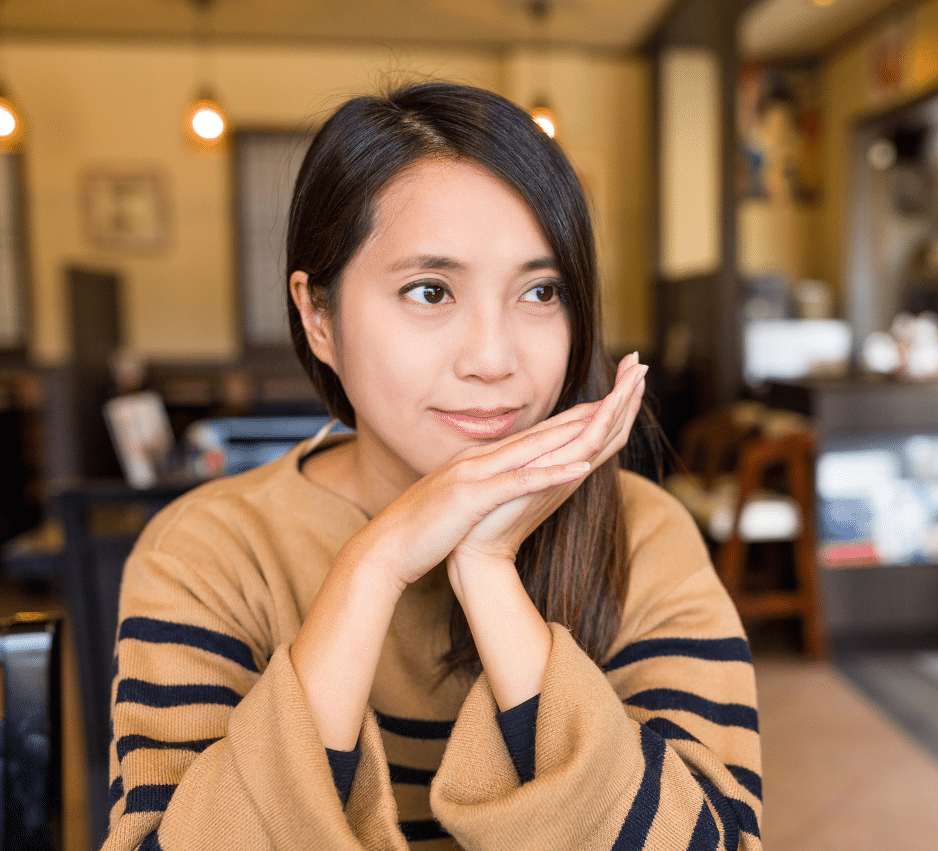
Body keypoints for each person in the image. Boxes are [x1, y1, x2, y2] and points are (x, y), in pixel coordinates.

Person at [104, 81, 762, 851]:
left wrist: (487, 566)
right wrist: (376, 562)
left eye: (541, 290)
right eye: (430, 290)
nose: (493, 358)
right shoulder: (208, 549)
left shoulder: (642, 535)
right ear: (319, 316)